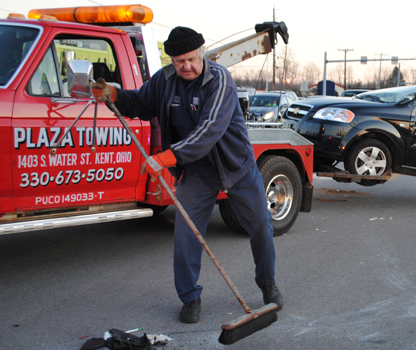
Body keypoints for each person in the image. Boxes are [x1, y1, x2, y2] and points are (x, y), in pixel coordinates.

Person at [92, 26, 282, 324]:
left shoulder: (220, 80)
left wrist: (165, 158)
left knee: (260, 225)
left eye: (191, 59)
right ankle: (190, 298)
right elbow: (140, 103)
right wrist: (112, 93)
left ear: (202, 53)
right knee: (185, 237)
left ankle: (268, 284)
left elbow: (208, 132)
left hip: (236, 166)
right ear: (172, 60)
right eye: (179, 61)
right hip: (197, 172)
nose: (186, 66)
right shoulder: (165, 81)